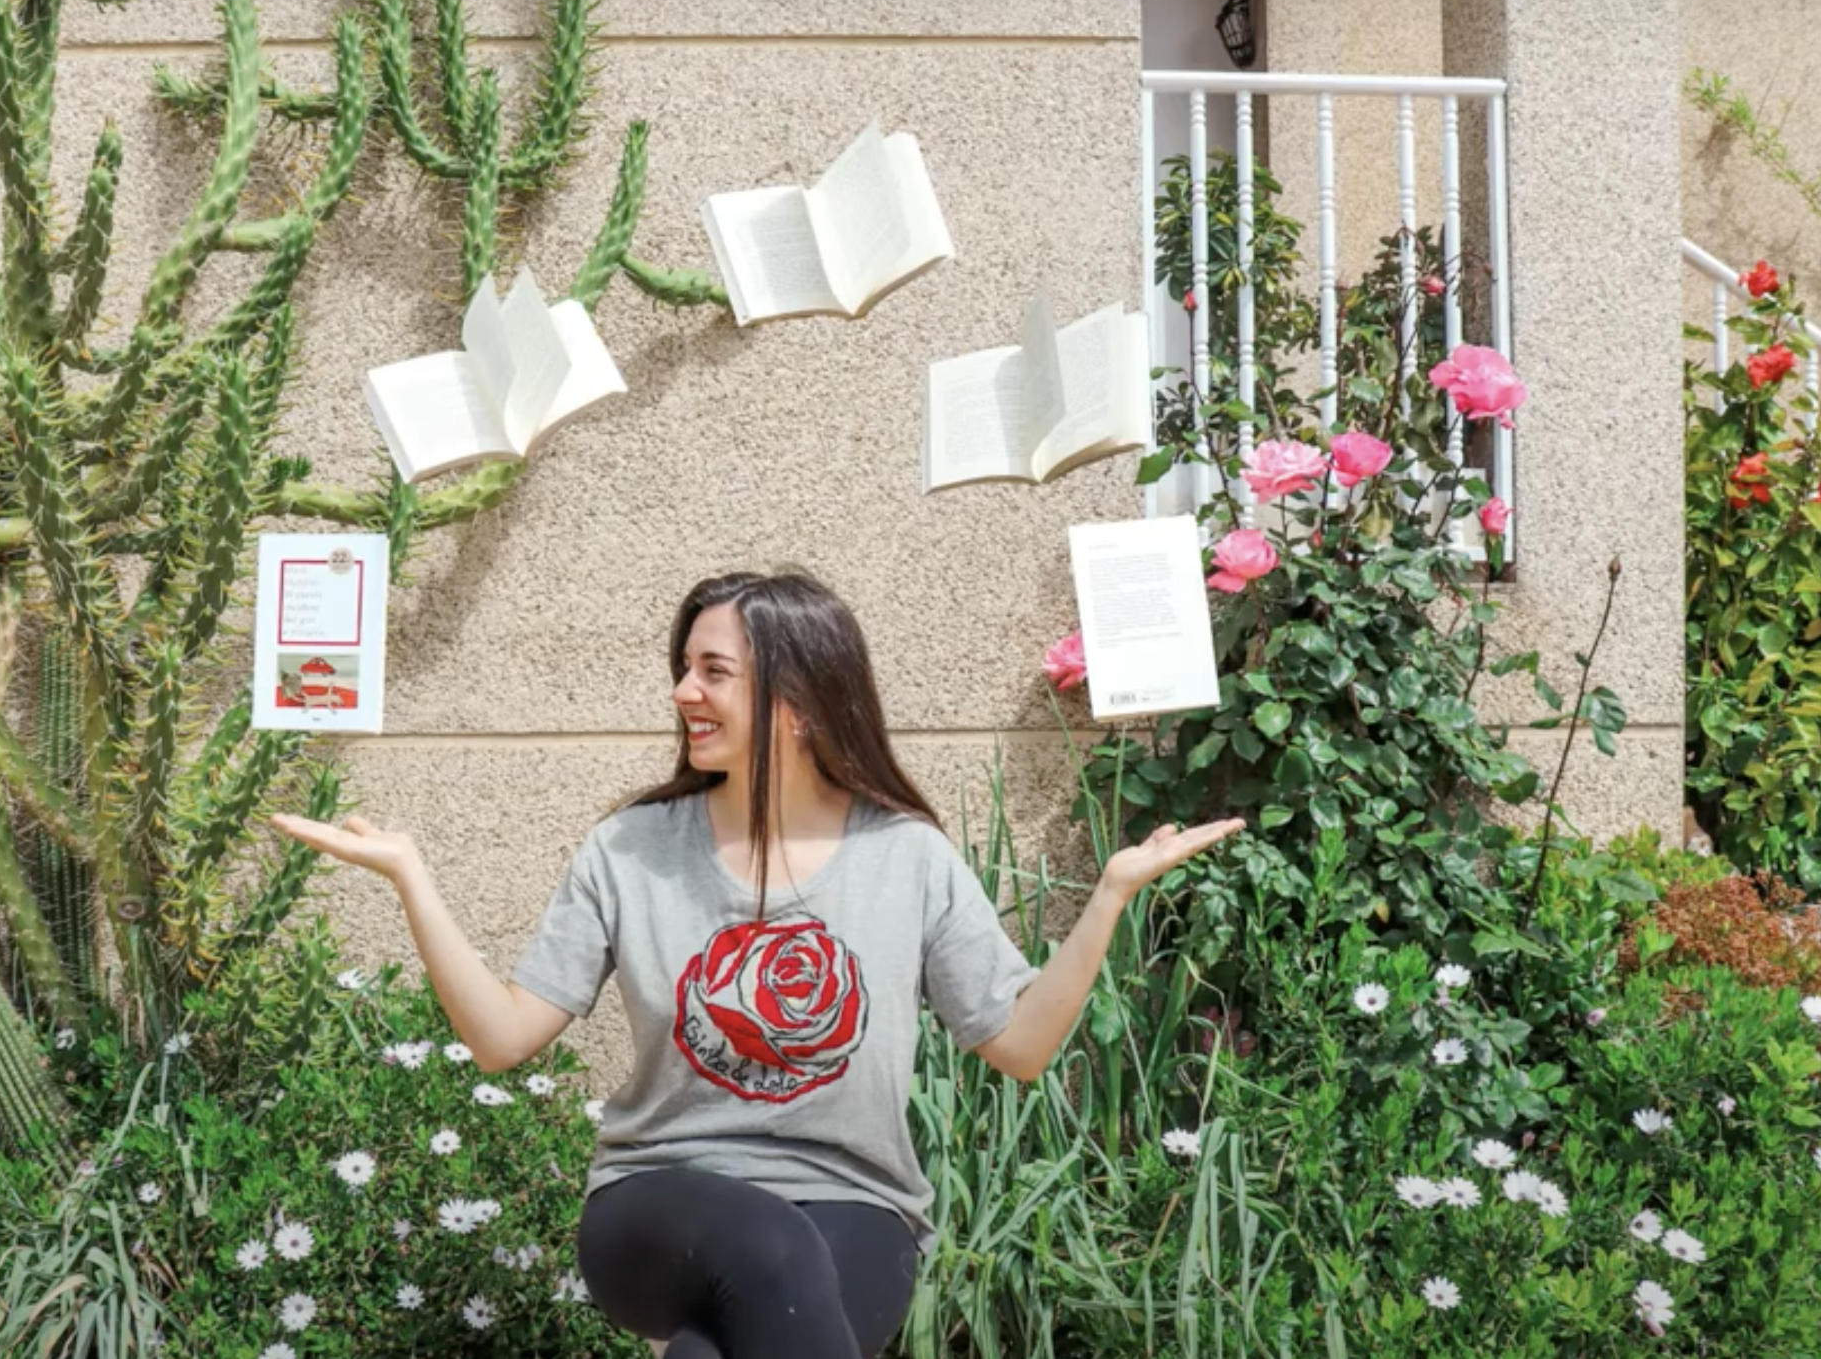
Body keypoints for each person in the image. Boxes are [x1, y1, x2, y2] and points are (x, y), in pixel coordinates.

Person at [270, 570, 1242, 1359]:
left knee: (718, 1345)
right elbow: (500, 1038)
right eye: (683, 668)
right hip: (655, 1198)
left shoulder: (905, 856)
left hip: (856, 1205)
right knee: (767, 1245)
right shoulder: (631, 850)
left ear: (799, 699)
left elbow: (1020, 1046)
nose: (682, 692)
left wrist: (1110, 895)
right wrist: (411, 877)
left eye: (714, 671)